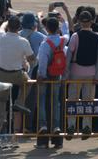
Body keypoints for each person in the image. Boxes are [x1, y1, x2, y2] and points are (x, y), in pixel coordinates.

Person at [0, 16, 35, 147]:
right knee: (28, 83)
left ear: (8, 26)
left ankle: (1, 122)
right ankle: (19, 102)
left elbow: (0, 29)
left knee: (1, 100)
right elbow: (32, 58)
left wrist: (6, 21)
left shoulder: (1, 37)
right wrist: (27, 62)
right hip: (16, 74)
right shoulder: (23, 41)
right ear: (19, 28)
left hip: (1, 73)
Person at [66, 11, 98, 140]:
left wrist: (67, 73)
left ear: (80, 22)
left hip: (76, 72)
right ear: (92, 21)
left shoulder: (75, 36)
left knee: (72, 100)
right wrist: (97, 75)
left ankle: (71, 126)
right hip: (91, 73)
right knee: (88, 101)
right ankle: (87, 127)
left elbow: (69, 55)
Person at [35, 16, 68, 149]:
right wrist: (64, 21)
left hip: (46, 76)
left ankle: (43, 125)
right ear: (58, 28)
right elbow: (67, 33)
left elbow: (42, 61)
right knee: (56, 103)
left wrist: (40, 75)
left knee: (42, 101)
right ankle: (56, 126)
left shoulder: (45, 43)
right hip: (57, 76)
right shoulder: (63, 40)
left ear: (47, 28)